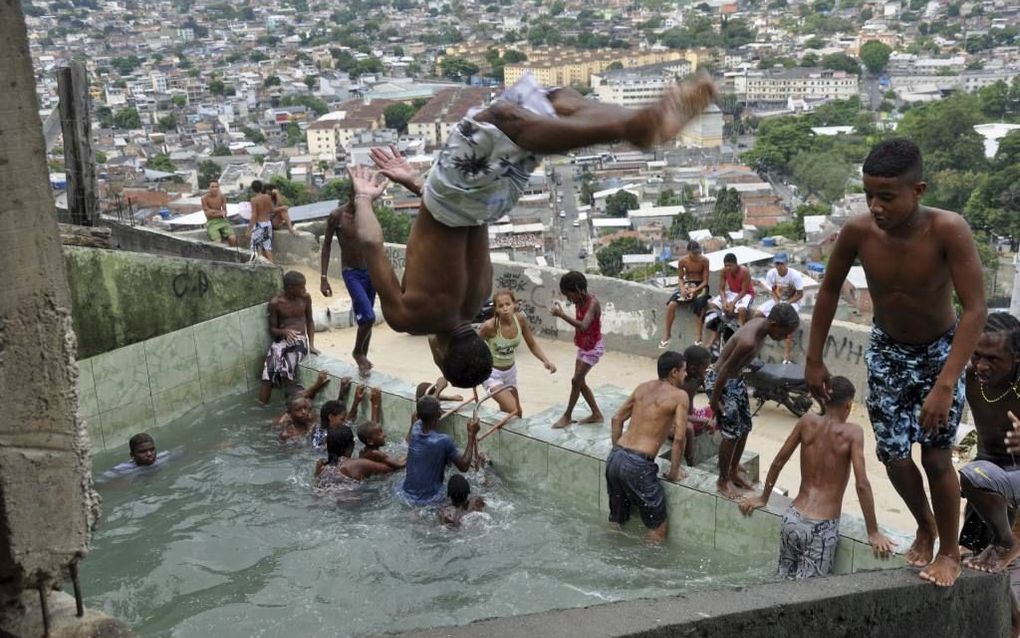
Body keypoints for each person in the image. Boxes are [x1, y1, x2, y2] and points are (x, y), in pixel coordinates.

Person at [346, 73, 717, 388]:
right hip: (457, 199)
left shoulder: (478, 299)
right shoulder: (408, 319)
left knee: (547, 102)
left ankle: (637, 122)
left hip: (492, 203)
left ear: (479, 335)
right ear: (439, 354)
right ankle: (631, 126)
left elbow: (459, 230)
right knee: (507, 118)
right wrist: (364, 198)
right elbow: (372, 242)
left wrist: (414, 183)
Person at [804, 138, 986, 588]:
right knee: (892, 455)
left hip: (938, 354)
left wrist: (946, 384)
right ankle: (923, 524)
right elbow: (828, 291)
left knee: (938, 459)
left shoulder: (948, 230)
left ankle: (948, 550)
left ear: (918, 190)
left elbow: (976, 308)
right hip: (887, 350)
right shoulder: (859, 232)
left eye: (887, 197)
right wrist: (813, 359)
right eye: (870, 195)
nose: (876, 206)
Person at [739, 376, 895, 579]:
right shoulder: (852, 433)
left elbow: (778, 461)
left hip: (792, 517)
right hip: (821, 527)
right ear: (849, 405)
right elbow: (862, 484)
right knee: (807, 598)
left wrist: (763, 498)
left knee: (779, 585)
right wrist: (873, 532)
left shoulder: (807, 421)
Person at [707, 303, 800, 498]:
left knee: (745, 426)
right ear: (773, 324)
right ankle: (723, 480)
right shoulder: (749, 341)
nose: (785, 338)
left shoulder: (761, 323)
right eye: (785, 333)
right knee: (731, 432)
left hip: (735, 379)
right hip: (720, 381)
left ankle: (732, 470)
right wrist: (714, 403)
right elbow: (723, 370)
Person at [958, 313, 1020, 574]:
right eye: (977, 355)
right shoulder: (969, 377)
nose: (982, 365)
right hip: (984, 482)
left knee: (1008, 574)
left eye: (993, 359)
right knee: (973, 565)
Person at [606, 351, 690, 543]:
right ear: (674, 372)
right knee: (658, 529)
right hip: (638, 464)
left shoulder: (642, 388)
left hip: (616, 456)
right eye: (684, 371)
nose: (686, 375)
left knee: (616, 521)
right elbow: (678, 438)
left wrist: (617, 453)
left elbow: (616, 419)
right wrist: (674, 471)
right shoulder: (680, 396)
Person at [477, 289, 557, 416]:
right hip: (492, 374)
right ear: (496, 309)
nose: (505, 309)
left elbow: (532, 344)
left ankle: (501, 434)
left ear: (514, 304)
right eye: (501, 306)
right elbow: (472, 346)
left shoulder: (520, 320)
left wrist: (546, 361)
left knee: (512, 416)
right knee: (515, 411)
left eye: (508, 304)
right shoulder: (489, 327)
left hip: (510, 373)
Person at [321, 198, 377, 378]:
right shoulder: (336, 216)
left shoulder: (366, 211)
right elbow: (327, 245)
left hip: (370, 271)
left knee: (365, 321)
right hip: (351, 272)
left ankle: (363, 360)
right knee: (368, 316)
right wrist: (324, 277)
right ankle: (357, 352)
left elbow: (375, 241)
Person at [398, 395, 481, 505]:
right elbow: (464, 466)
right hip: (430, 499)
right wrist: (471, 435)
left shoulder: (415, 428)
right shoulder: (443, 441)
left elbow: (420, 411)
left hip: (405, 493)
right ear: (439, 414)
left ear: (418, 415)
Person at [551, 271, 604, 428]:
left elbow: (583, 325)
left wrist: (561, 315)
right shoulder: (579, 301)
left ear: (580, 290)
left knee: (576, 381)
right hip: (583, 345)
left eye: (570, 295)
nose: (569, 299)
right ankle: (596, 414)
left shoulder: (593, 303)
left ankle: (567, 416)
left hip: (593, 348)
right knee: (579, 383)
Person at [259, 271, 320, 404]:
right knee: (267, 372)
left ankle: (292, 407)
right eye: (301, 287)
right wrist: (284, 332)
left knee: (286, 370)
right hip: (281, 341)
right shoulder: (275, 303)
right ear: (291, 288)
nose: (305, 289)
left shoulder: (305, 298)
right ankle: (261, 408)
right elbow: (272, 329)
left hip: (299, 340)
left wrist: (312, 345)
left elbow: (310, 321)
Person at [754, 252, 804, 365]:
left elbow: (800, 294)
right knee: (757, 314)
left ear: (786, 263)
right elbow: (772, 290)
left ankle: (786, 357)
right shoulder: (771, 274)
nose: (779, 266)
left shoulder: (794, 275)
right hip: (777, 300)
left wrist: (786, 304)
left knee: (789, 325)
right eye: (777, 263)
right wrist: (777, 303)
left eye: (781, 263)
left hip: (792, 301)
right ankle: (757, 345)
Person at [660, 240, 710, 348]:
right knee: (672, 304)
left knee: (700, 305)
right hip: (687, 285)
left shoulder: (704, 261)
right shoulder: (682, 261)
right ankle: (667, 333)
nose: (697, 255)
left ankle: (698, 335)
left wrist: (695, 289)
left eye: (698, 252)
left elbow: (706, 281)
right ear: (688, 251)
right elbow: (680, 278)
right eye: (694, 253)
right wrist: (682, 288)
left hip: (701, 285)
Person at [314, 427, 398, 488]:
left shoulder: (320, 465)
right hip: (348, 503)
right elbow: (392, 468)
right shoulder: (358, 464)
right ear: (352, 445)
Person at [704, 253, 755, 353]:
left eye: (730, 265)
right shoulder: (724, 271)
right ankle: (716, 336)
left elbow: (744, 290)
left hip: (745, 293)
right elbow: (721, 289)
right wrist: (724, 302)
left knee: (741, 310)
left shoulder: (744, 271)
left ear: (736, 264)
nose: (728, 268)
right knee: (713, 305)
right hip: (731, 292)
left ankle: (739, 336)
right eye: (726, 265)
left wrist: (732, 304)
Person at [679, 345, 714, 467]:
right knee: (688, 429)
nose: (707, 371)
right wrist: (702, 420)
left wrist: (716, 416)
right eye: (705, 368)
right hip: (679, 419)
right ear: (693, 368)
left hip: (692, 414)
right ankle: (690, 463)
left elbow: (714, 396)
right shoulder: (679, 384)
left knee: (725, 414)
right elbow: (677, 415)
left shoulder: (699, 378)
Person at [276, 370, 330, 442]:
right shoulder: (287, 431)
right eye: (298, 409)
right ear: (289, 413)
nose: (304, 412)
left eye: (305, 407)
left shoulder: (310, 421)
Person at [201, 180, 237, 247]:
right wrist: (219, 212)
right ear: (209, 188)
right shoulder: (204, 198)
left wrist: (213, 211)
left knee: (233, 238)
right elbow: (208, 214)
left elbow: (225, 212)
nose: (215, 189)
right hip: (211, 222)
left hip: (222, 221)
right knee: (217, 241)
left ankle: (233, 254)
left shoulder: (222, 196)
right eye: (212, 187)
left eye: (216, 187)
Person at [247, 180, 275, 263]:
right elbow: (272, 210)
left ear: (253, 189)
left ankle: (256, 267)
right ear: (262, 187)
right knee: (267, 247)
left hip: (259, 225)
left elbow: (254, 215)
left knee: (254, 248)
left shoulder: (254, 200)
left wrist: (249, 229)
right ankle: (273, 267)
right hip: (268, 223)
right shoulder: (267, 197)